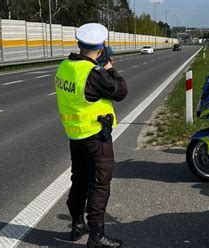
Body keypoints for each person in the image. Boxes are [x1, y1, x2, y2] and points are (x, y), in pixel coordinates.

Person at [54, 23, 127, 248]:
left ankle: (77, 224)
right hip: (96, 136)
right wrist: (110, 69)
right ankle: (97, 236)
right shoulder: (94, 73)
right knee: (99, 184)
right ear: (101, 46)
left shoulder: (65, 66)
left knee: (80, 180)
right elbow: (121, 91)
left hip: (75, 136)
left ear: (79, 43)